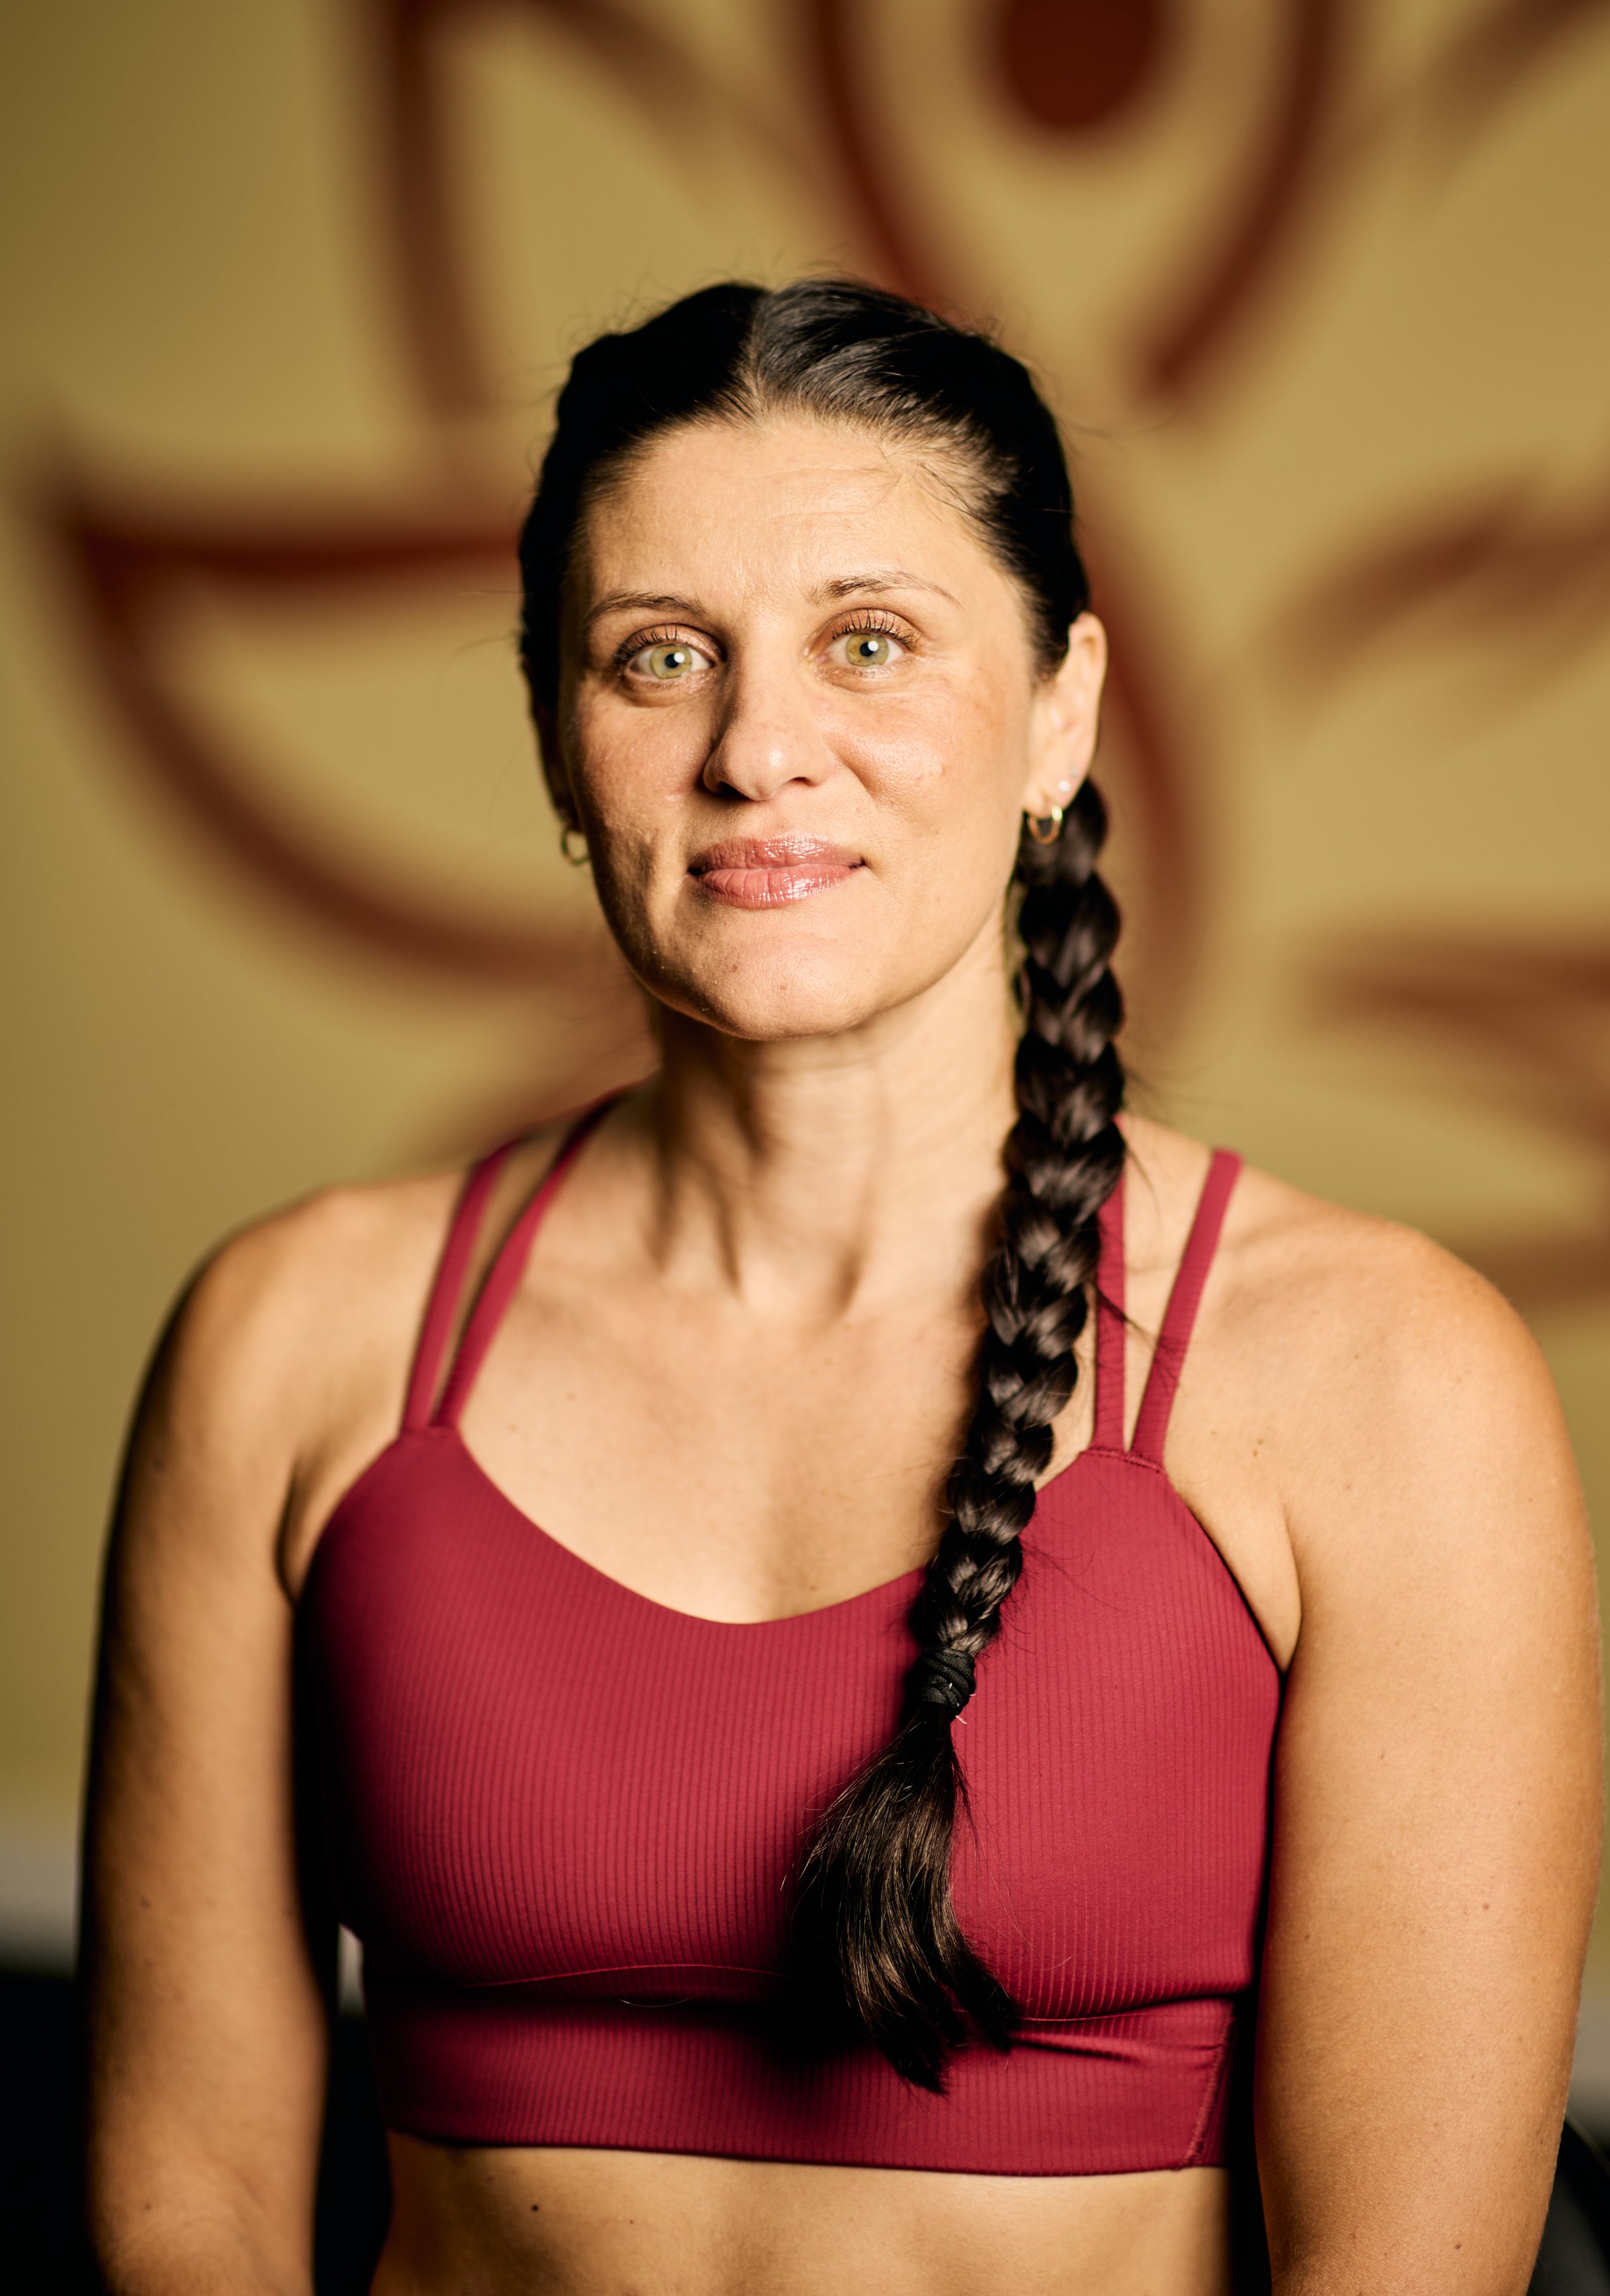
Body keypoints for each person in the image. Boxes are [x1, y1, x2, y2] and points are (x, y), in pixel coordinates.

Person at [83, 279, 1599, 2296]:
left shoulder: (1383, 1382)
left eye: (866, 643)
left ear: (1059, 709)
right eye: (656, 659)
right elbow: (191, 2201)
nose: (757, 749)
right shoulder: (294, 1349)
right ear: (557, 731)